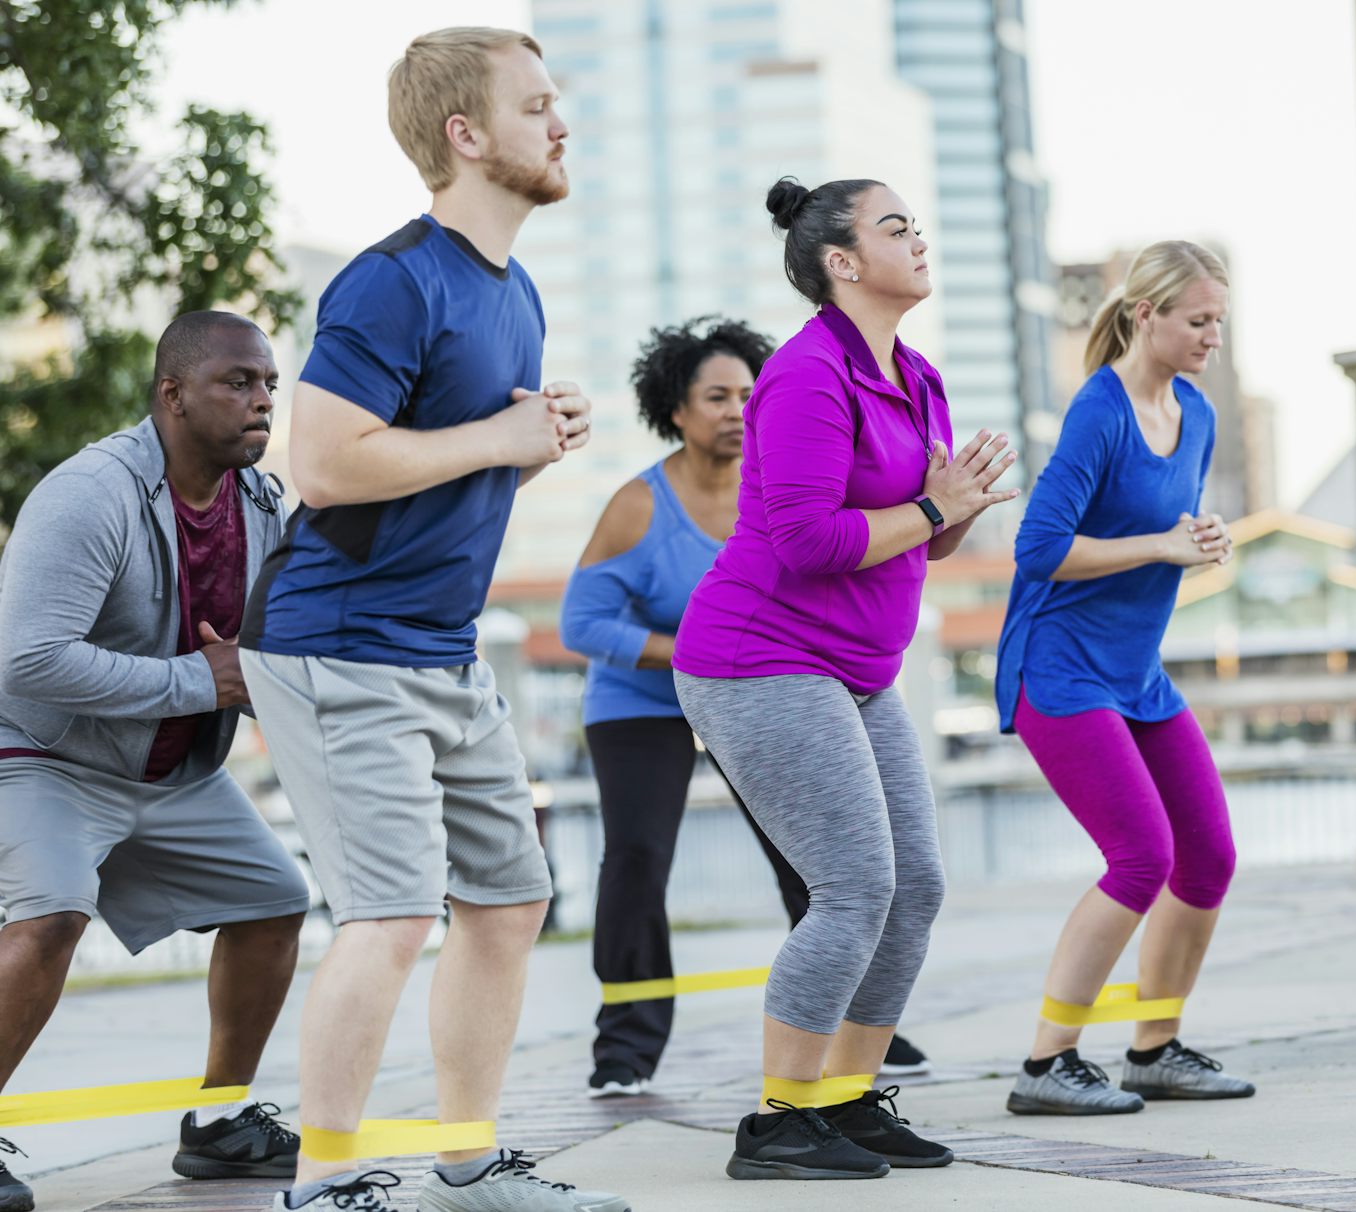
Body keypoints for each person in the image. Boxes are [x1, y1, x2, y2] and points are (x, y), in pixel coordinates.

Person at [236, 28, 623, 1212]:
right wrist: (498, 440)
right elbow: (328, 462)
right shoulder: (391, 279)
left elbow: (443, 471)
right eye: (538, 105)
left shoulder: (517, 295)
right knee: (394, 912)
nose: (563, 125)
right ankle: (326, 1181)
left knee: (510, 901)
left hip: (444, 652)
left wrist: (528, 451)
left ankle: (466, 1157)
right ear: (465, 134)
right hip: (335, 644)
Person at [671, 176, 1017, 1180]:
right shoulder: (805, 376)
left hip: (859, 668)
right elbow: (807, 538)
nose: (920, 239)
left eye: (917, 225)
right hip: (758, 657)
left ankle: (847, 1098)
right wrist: (931, 504)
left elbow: (925, 546)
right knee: (857, 885)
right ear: (842, 262)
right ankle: (778, 1121)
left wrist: (957, 511)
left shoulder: (919, 375)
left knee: (916, 888)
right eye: (895, 227)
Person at [562, 318, 931, 1101]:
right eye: (716, 396)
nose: (737, 409)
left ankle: (853, 1027)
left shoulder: (784, 487)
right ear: (677, 409)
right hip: (642, 702)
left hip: (772, 690)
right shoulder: (638, 504)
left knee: (821, 857)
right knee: (636, 858)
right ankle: (624, 1047)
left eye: (749, 396)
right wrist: (688, 645)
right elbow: (581, 624)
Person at [0, 312, 311, 1211]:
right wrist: (198, 680)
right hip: (45, 754)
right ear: (172, 394)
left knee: (273, 902)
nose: (261, 402)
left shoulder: (259, 502)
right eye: (238, 382)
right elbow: (26, 658)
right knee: (53, 912)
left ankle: (220, 1126)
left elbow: (260, 648)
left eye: (268, 386)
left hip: (173, 772)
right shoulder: (88, 492)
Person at [995, 241, 1254, 1116]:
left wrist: (1200, 540)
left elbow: (1163, 530)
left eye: (1219, 319)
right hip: (1061, 673)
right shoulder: (1097, 412)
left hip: (1136, 674)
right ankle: (1046, 1064)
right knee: (1141, 856)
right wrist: (1163, 545)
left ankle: (1154, 1046)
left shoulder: (1198, 412)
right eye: (1197, 319)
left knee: (1208, 856)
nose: (1212, 334)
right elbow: (1038, 550)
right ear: (1146, 315)